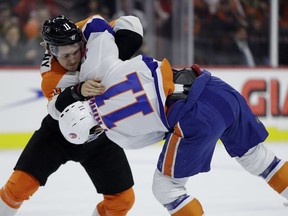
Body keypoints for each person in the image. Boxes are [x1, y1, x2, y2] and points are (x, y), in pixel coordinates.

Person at [58, 15, 288, 215]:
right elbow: (97, 24)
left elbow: (162, 133)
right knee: (259, 158)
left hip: (193, 116)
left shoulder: (119, 135)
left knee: (166, 188)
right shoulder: (99, 67)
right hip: (214, 87)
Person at [0, 14, 143, 216]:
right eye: (65, 55)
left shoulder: (83, 30)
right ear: (50, 50)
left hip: (98, 133)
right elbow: (55, 110)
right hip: (58, 135)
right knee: (16, 189)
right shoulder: (51, 75)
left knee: (123, 200)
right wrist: (78, 91)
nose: (72, 59)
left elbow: (132, 25)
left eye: (76, 51)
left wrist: (114, 56)